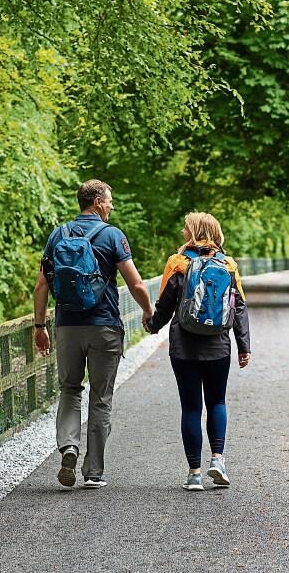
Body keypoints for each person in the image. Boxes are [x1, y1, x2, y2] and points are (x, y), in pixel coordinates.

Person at [33, 179, 154, 488]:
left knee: (70, 390)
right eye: (109, 200)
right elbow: (136, 284)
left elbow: (42, 285)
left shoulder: (58, 235)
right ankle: (94, 472)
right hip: (104, 327)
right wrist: (148, 310)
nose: (111, 206)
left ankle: (69, 447)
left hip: (67, 326)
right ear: (98, 202)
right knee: (101, 398)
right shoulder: (112, 235)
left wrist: (39, 327)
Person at [146, 212, 250, 491]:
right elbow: (239, 306)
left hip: (184, 346)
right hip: (218, 345)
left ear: (193, 231)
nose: (183, 231)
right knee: (217, 402)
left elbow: (165, 304)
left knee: (191, 407)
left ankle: (194, 474)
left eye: (186, 227)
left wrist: (153, 326)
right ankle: (217, 460)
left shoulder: (177, 263)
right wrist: (244, 346)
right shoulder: (228, 264)